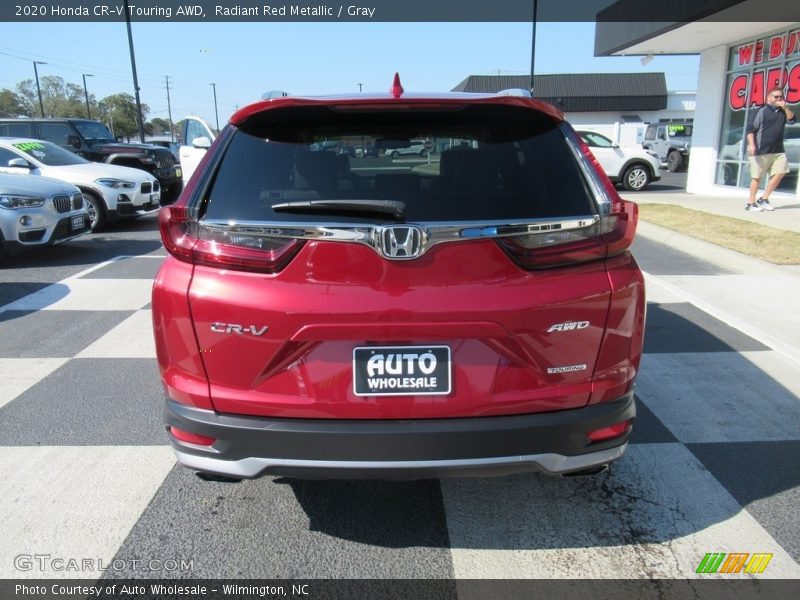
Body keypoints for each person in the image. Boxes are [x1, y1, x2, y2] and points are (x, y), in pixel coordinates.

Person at [745, 87, 796, 212]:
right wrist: (752, 145)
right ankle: (750, 204)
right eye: (776, 97)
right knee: (757, 178)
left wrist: (785, 107)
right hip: (761, 150)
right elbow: (750, 130)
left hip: (778, 150)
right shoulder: (760, 111)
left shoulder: (783, 111)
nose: (779, 99)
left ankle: (764, 198)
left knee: (781, 172)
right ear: (769, 97)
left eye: (780, 97)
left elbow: (792, 120)